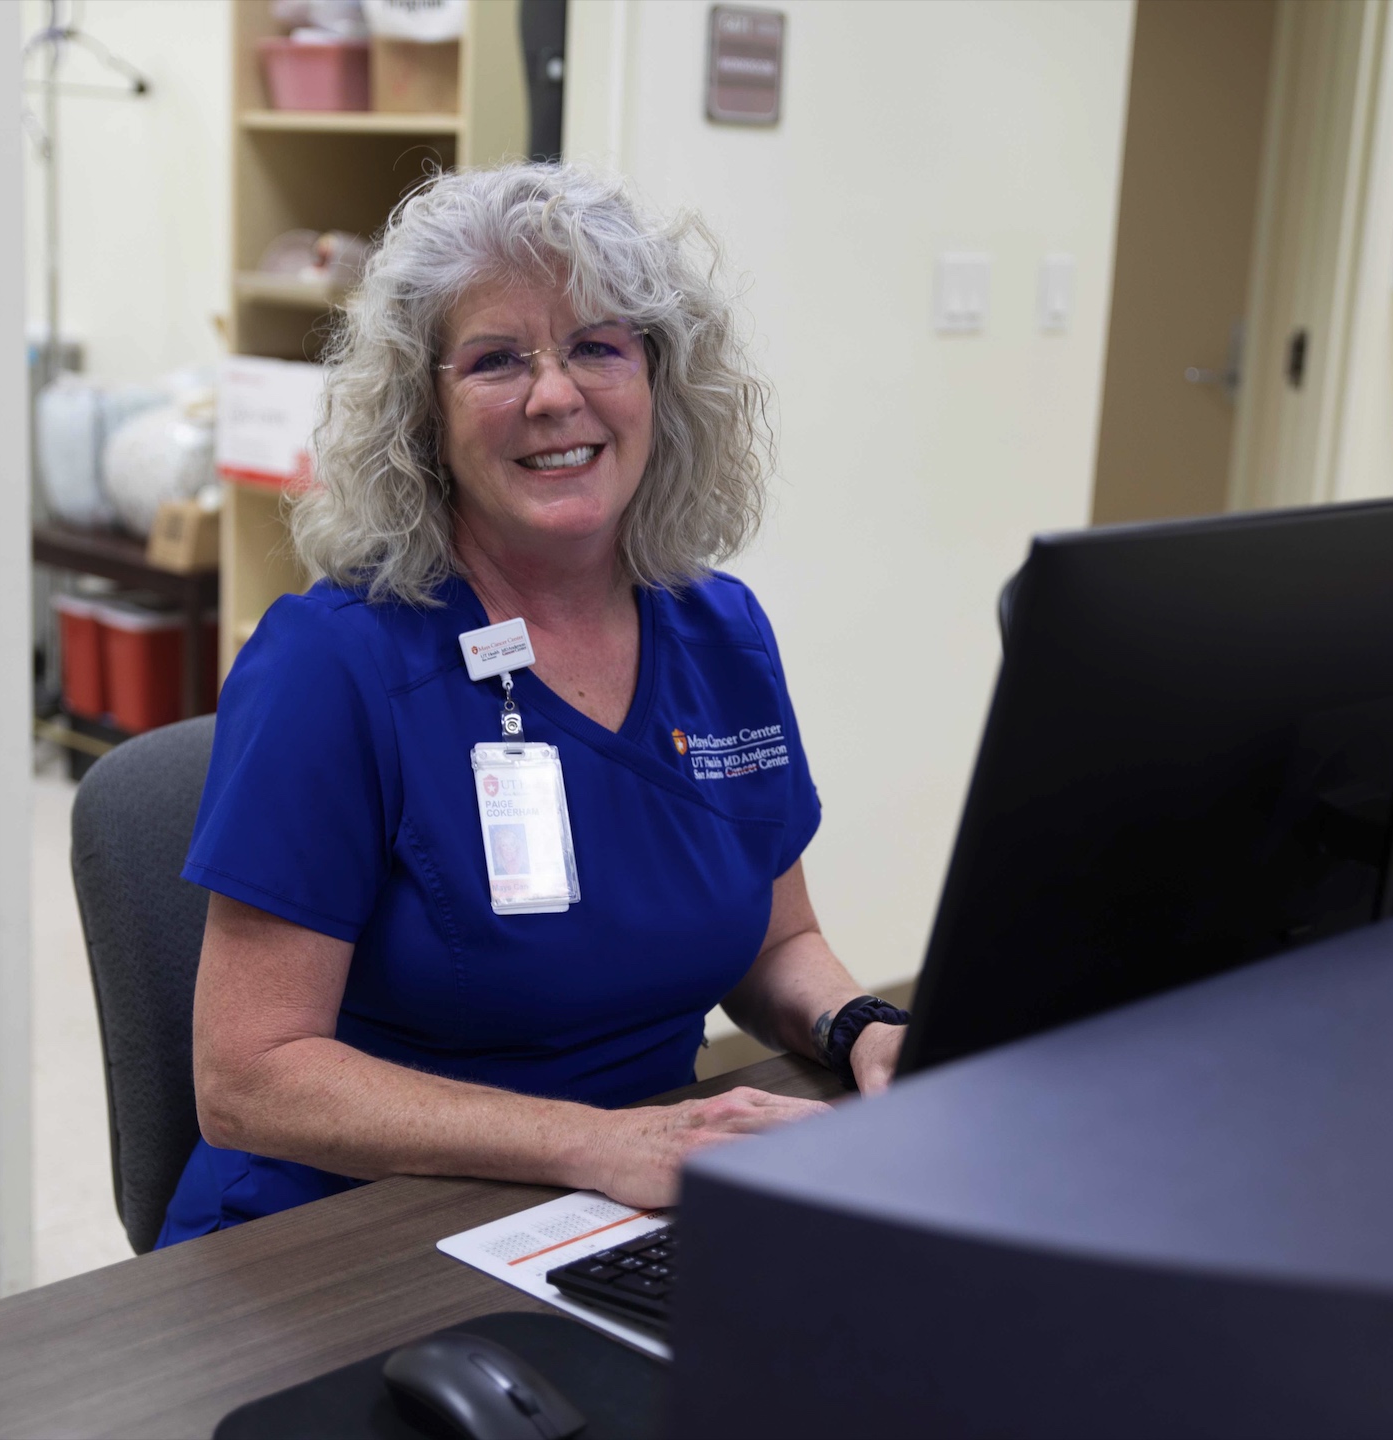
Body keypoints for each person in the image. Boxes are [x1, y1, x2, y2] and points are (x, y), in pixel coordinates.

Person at [160, 164, 910, 1245]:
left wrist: (864, 1029)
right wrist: (591, 1143)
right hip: (340, 1241)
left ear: (659, 381)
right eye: (496, 360)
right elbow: (249, 1077)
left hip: (626, 1207)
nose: (554, 396)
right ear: (423, 414)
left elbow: (773, 939)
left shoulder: (721, 634)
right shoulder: (334, 664)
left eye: (597, 347)